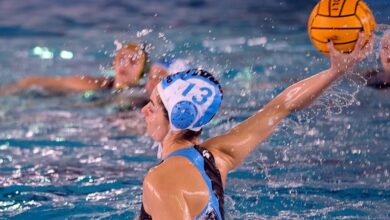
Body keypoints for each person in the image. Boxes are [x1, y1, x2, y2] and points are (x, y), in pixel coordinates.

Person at [139, 33, 373, 219]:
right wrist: (335, 71)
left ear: (177, 121)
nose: (143, 111)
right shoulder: (216, 158)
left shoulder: (160, 180)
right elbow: (281, 106)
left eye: (152, 106)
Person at [0, 42, 190, 99]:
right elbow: (34, 81)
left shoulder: (143, 97)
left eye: (133, 62)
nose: (125, 65)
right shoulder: (97, 84)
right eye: (121, 59)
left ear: (142, 71)